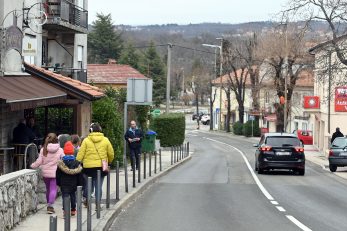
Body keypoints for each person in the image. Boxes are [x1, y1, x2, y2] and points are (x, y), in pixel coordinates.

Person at [76, 123, 114, 207]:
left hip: (88, 168)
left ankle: (87, 201)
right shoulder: (105, 140)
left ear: (90, 130)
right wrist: (109, 162)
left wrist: (77, 162)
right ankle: (97, 204)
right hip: (101, 167)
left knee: (88, 185)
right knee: (98, 186)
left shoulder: (86, 140)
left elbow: (81, 153)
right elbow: (111, 153)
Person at [31, 133, 64, 214]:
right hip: (55, 173)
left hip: (45, 173)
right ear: (56, 140)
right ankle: (50, 205)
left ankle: (49, 204)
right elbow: (64, 160)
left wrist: (32, 165)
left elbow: (39, 161)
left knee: (48, 189)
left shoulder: (43, 150)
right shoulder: (60, 150)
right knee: (53, 189)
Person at [56, 141, 83, 216]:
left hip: (64, 183)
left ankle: (65, 210)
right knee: (73, 195)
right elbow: (79, 175)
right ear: (72, 152)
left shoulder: (61, 163)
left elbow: (58, 174)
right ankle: (73, 210)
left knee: (65, 196)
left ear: (64, 151)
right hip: (73, 183)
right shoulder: (76, 163)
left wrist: (58, 183)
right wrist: (79, 184)